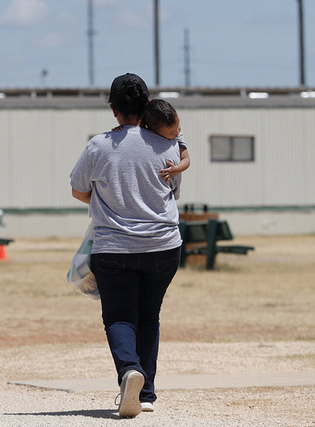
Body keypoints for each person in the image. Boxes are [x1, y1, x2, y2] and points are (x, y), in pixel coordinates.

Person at [69, 73, 183, 418]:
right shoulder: (169, 145)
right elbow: (173, 192)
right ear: (147, 105)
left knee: (120, 316)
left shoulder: (98, 145)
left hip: (114, 247)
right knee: (149, 314)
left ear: (113, 108)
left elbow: (78, 190)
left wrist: (103, 199)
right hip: (164, 245)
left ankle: (129, 371)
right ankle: (146, 394)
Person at [112, 98, 189, 182]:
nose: (177, 132)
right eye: (171, 133)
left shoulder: (178, 137)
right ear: (153, 132)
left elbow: (186, 159)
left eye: (178, 125)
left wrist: (176, 169)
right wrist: (121, 129)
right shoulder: (147, 135)